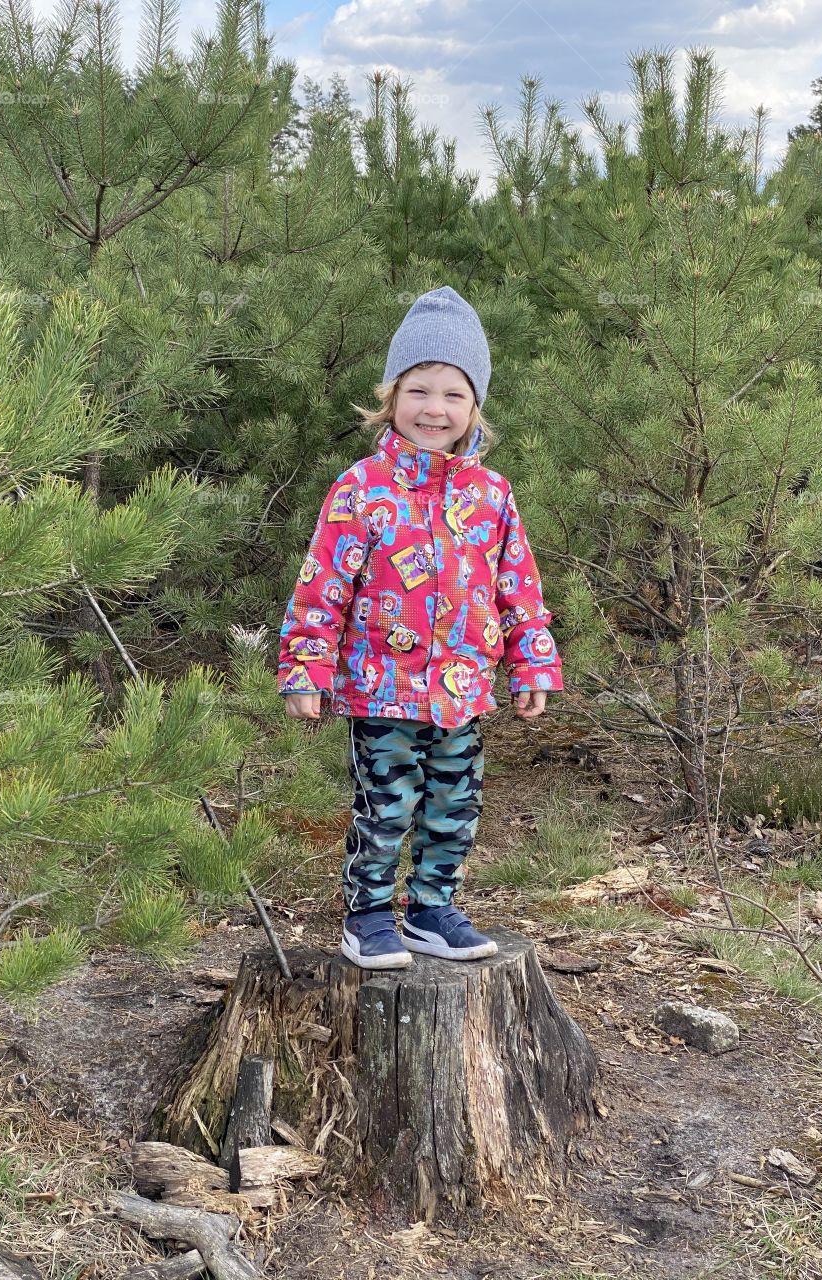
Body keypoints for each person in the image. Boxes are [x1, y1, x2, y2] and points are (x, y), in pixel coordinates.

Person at [278, 285, 564, 969]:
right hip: (383, 690)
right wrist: (306, 667)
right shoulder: (362, 488)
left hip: (462, 692)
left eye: (453, 395)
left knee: (453, 810)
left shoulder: (491, 496)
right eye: (419, 390)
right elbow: (322, 587)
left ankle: (433, 910)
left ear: (475, 408)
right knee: (385, 811)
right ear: (392, 396)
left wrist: (532, 663)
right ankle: (369, 916)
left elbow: (518, 588)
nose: (434, 408)